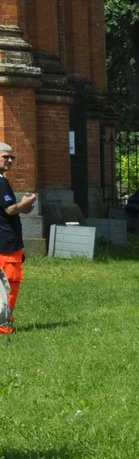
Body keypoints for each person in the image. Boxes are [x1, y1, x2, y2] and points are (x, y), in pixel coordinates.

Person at [0, 141, 37, 336]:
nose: (10, 160)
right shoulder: (1, 182)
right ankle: (4, 324)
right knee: (9, 284)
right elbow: (9, 209)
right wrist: (25, 203)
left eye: (11, 157)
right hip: (6, 243)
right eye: (5, 156)